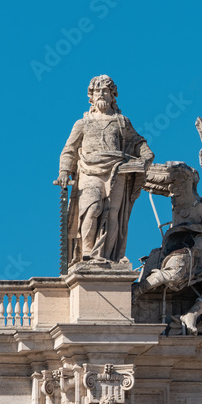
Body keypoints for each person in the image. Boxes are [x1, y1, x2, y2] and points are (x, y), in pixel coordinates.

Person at [55, 75, 153, 266]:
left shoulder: (121, 122)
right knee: (91, 208)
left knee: (113, 213)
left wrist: (146, 153)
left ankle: (109, 255)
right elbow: (69, 150)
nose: (101, 94)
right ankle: (87, 252)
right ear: (91, 97)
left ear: (112, 95)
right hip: (89, 170)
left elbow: (137, 142)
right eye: (96, 91)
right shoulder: (82, 123)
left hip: (117, 170)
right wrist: (64, 171)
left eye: (105, 91)